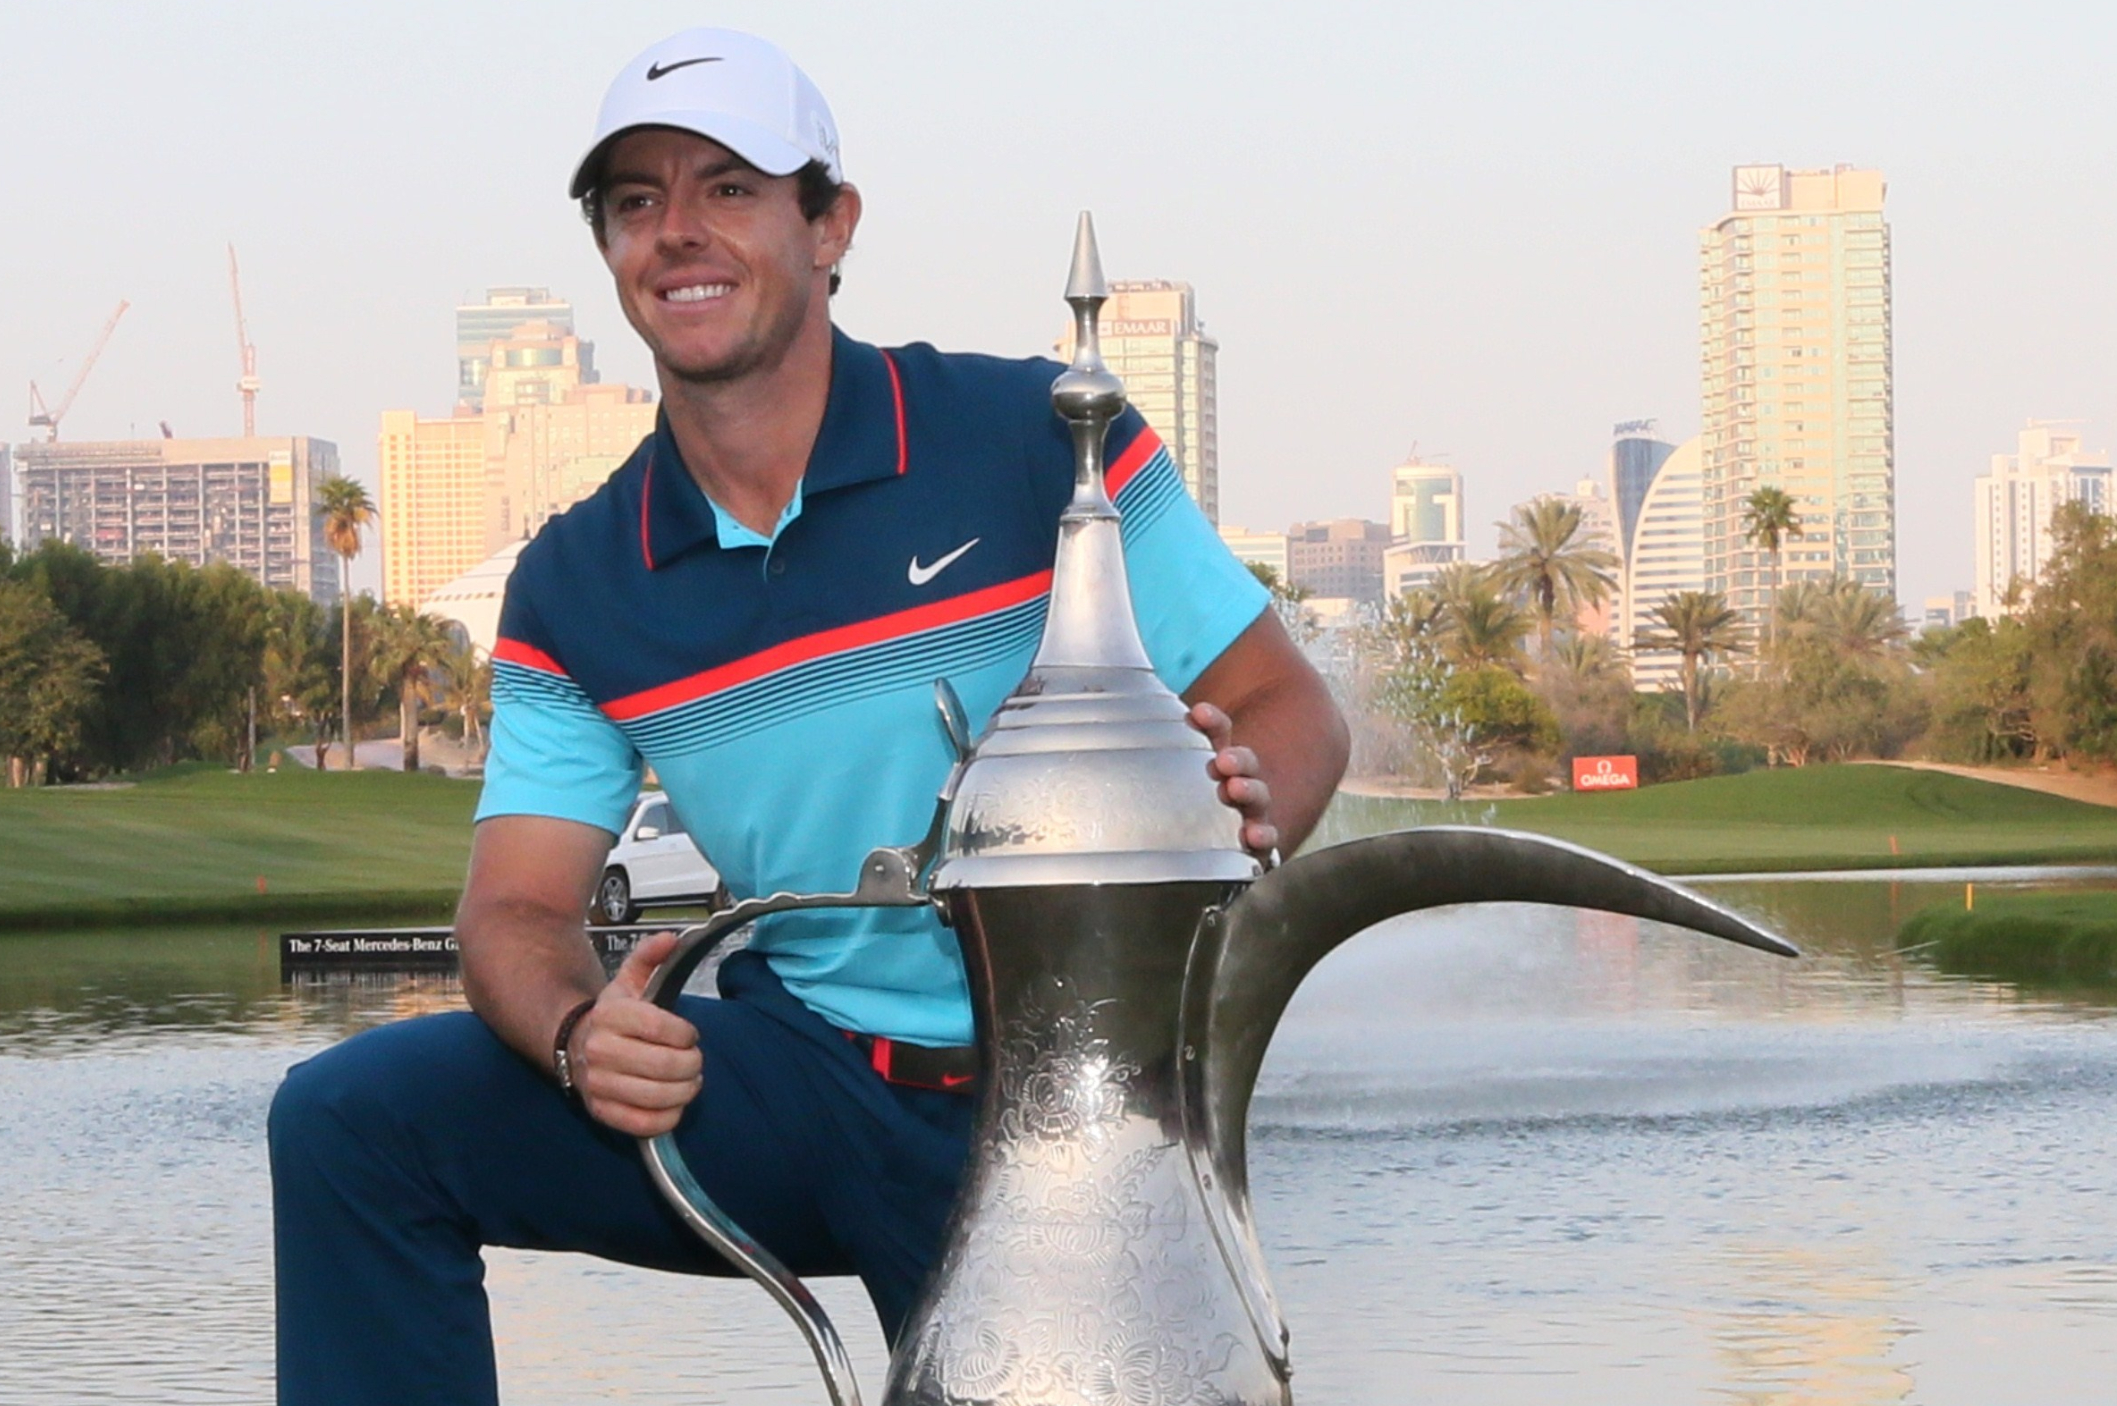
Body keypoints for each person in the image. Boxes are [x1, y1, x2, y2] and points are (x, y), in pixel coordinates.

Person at [267, 27, 1349, 1405]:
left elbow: (1284, 704)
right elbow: (516, 911)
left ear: (830, 222)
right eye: (637, 203)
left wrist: (1243, 791)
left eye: (728, 188)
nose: (678, 234)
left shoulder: (1027, 436)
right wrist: (578, 1030)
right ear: (608, 249)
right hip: (804, 1077)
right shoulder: (579, 581)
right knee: (352, 1124)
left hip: (1076, 1113)